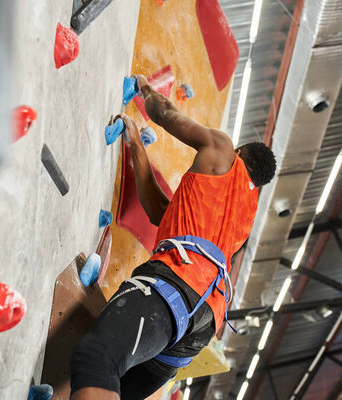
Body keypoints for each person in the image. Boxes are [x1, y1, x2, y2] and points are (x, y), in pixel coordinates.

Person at [69, 74, 276, 400]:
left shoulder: (222, 151)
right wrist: (136, 147)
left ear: (240, 151)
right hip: (201, 326)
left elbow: (165, 115)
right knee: (113, 389)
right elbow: (160, 214)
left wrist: (146, 90)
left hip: (175, 289)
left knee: (97, 358)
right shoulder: (243, 220)